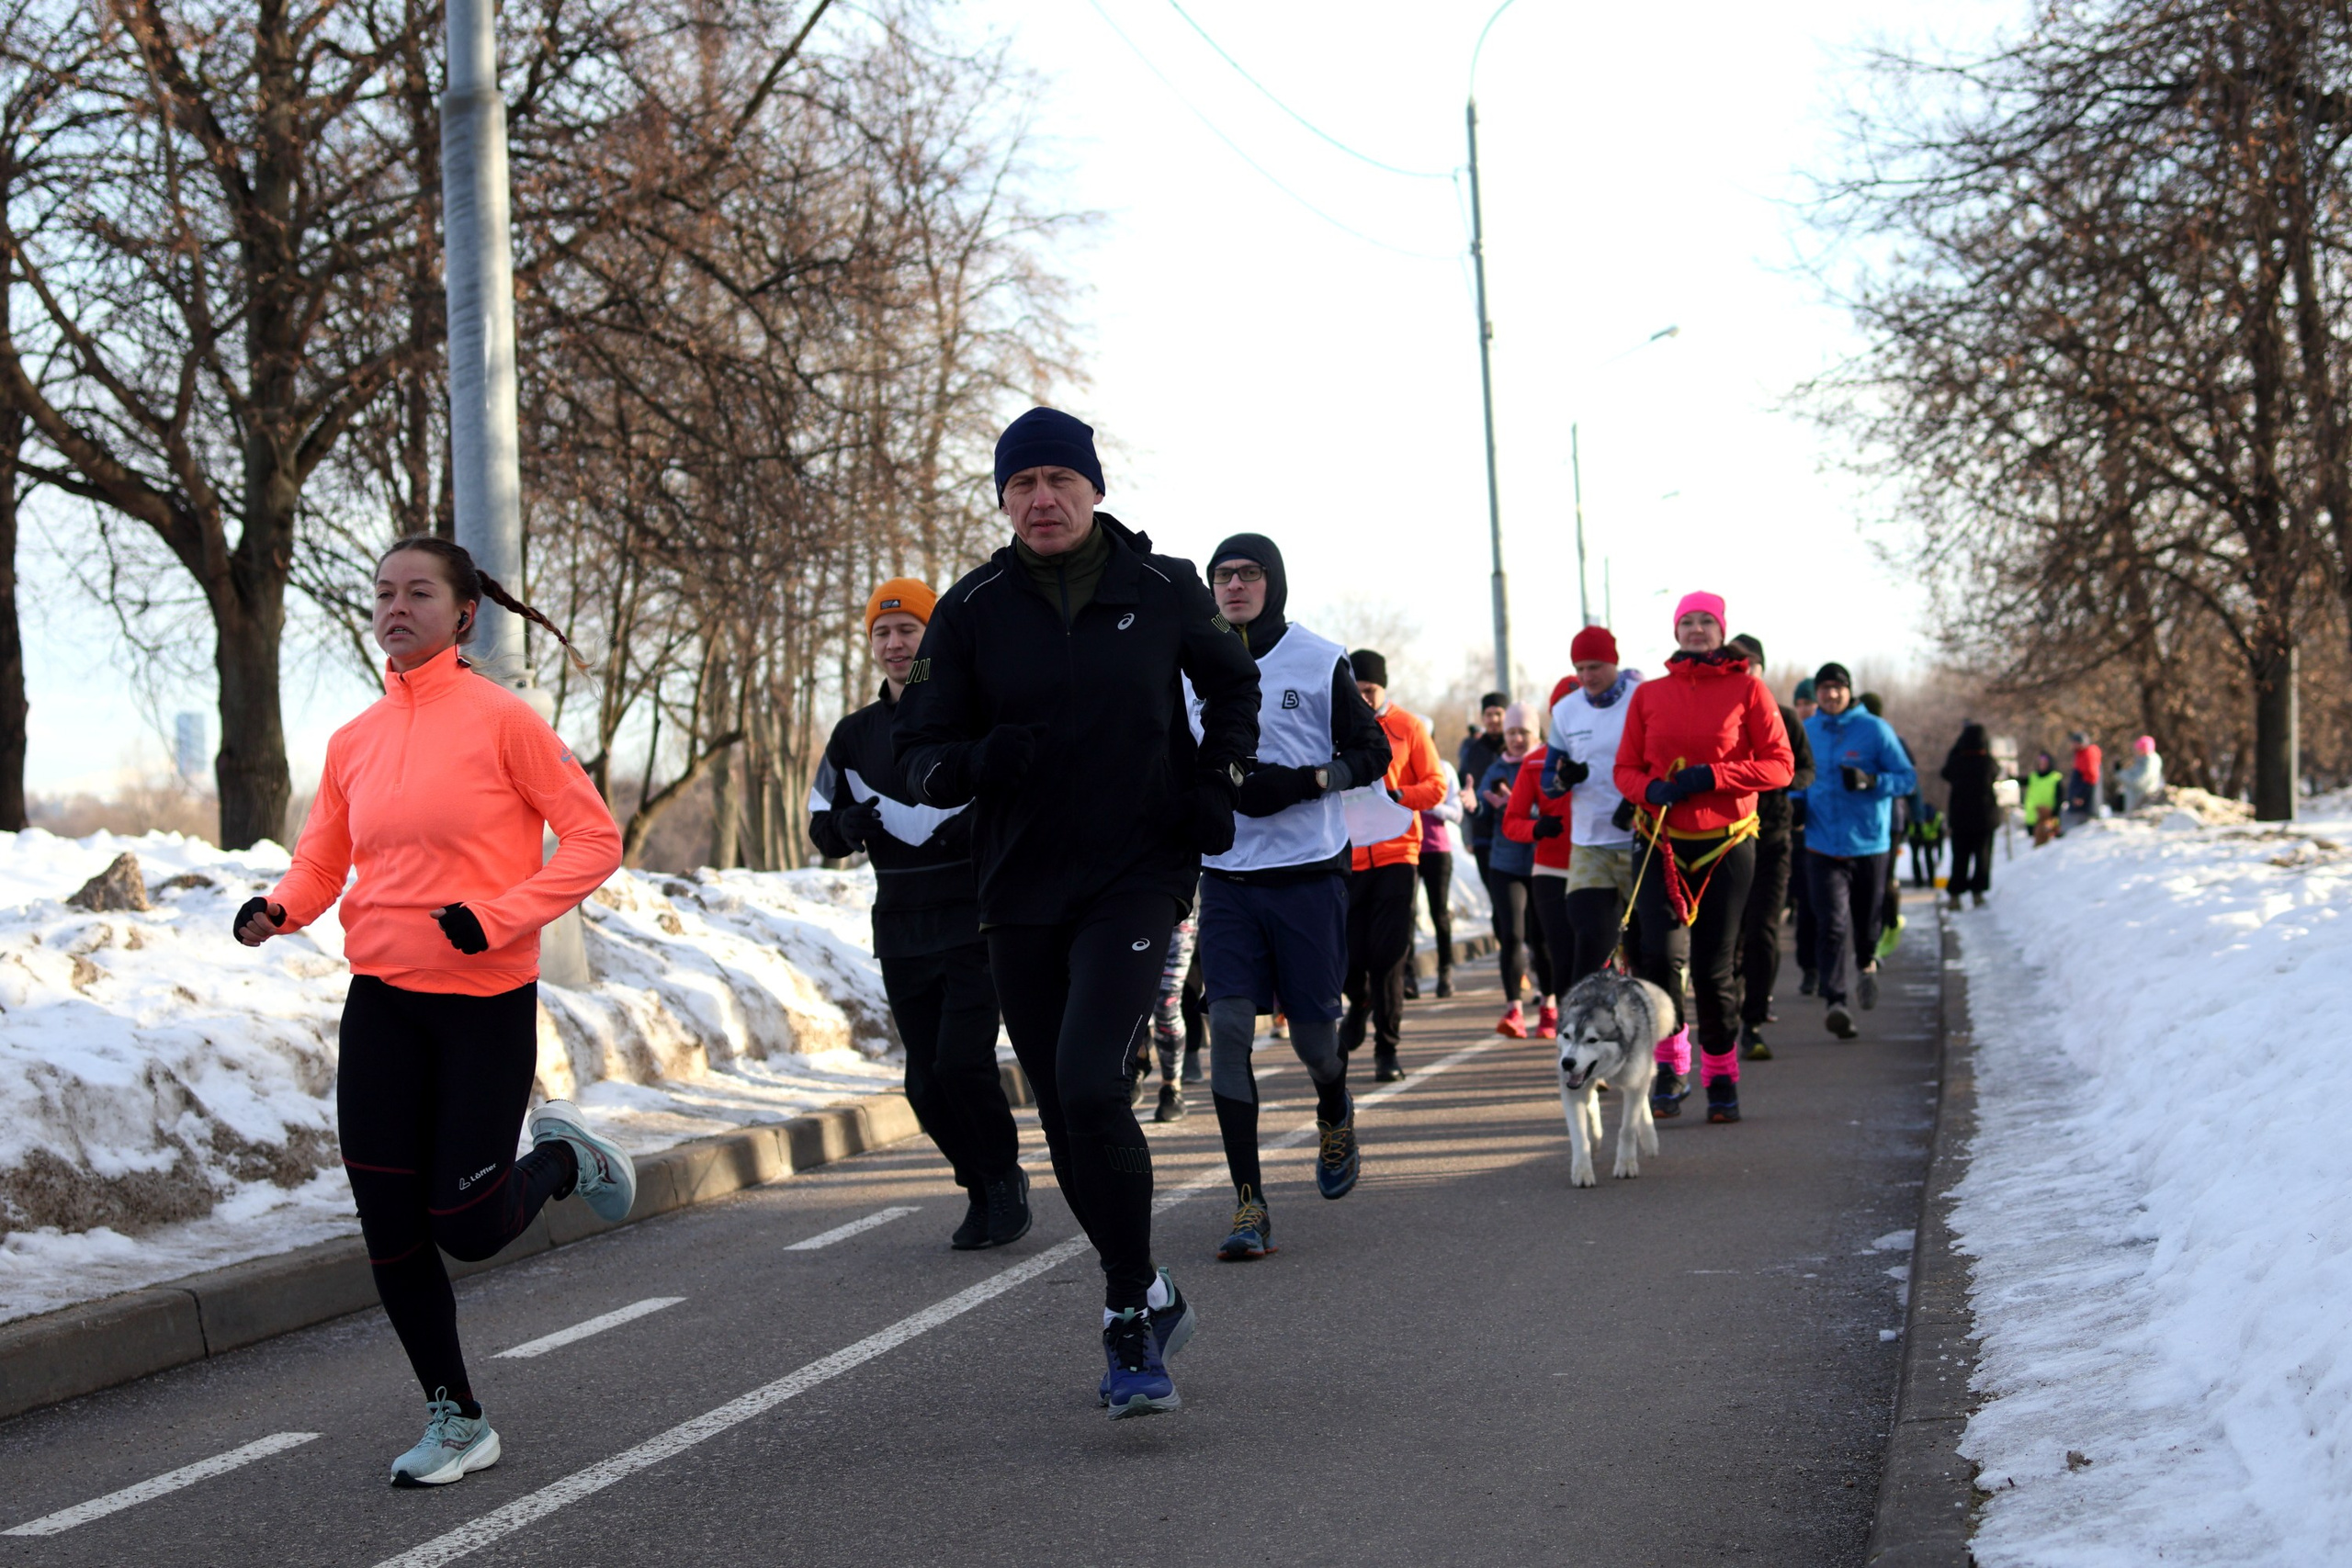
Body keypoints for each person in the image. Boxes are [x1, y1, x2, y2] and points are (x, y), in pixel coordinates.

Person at [236, 536, 629, 1487]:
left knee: (467, 1221)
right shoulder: (354, 741)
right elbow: (325, 859)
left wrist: (498, 916)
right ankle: (456, 1417)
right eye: (383, 593)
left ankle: (565, 1158)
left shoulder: (505, 723)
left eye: (418, 592)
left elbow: (593, 838)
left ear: (463, 615)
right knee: (389, 1219)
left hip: (483, 1004)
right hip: (382, 1003)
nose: (396, 606)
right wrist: (281, 907)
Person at [894, 407, 1260, 1418]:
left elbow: (1234, 688)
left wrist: (1217, 777)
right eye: (1022, 483)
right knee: (1060, 1109)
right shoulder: (969, 609)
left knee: (1091, 1084)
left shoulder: (1163, 585)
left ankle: (1123, 1315)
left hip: (1136, 868)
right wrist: (970, 765)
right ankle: (1146, 1283)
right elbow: (919, 750)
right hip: (1017, 885)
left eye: (1060, 478)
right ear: (1002, 498)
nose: (1042, 498)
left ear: (1094, 488)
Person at [1182, 533, 1392, 1260]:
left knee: (1312, 1041)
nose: (1234, 585)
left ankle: (1333, 1102)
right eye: (1222, 575)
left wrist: (1306, 782)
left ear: (1274, 582)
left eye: (1249, 574)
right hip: (1229, 876)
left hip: (1307, 873)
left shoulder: (1317, 657)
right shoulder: (1190, 663)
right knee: (1231, 1030)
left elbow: (1374, 753)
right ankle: (1250, 1203)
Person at [810, 578, 1030, 1250]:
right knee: (924, 1084)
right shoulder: (853, 738)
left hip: (975, 922)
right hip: (902, 930)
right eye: (883, 631)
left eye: (910, 629)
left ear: (934, 637)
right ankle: (982, 1183)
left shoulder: (974, 716)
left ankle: (1001, 1177)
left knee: (964, 1063)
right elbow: (821, 830)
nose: (896, 643)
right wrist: (846, 822)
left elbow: (1022, 801)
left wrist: (980, 829)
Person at [1613, 592, 1793, 1125]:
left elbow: (1779, 767)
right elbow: (1624, 769)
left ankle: (1721, 1076)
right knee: (1659, 960)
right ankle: (1672, 1068)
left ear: (1721, 631)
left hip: (1727, 843)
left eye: (1705, 622)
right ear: (1675, 631)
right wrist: (1651, 790)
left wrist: (1714, 776)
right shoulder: (1649, 695)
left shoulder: (1749, 689)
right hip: (1661, 840)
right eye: (1686, 621)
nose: (1695, 630)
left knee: (1715, 969)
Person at [1340, 650, 1446, 1082]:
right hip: (1346, 856)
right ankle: (1359, 1000)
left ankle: (1387, 1049)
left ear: (1384, 687)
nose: (1362, 699)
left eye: (1370, 691)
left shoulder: (1409, 727)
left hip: (1397, 853)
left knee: (1388, 956)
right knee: (1346, 954)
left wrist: (1399, 797)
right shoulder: (1336, 727)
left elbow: (1436, 785)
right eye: (1356, 691)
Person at [1800, 663, 1917, 1042]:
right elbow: (1794, 776)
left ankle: (1866, 963)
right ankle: (1836, 1001)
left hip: (1868, 843)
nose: (1831, 695)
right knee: (1830, 924)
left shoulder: (1875, 731)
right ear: (1817, 694)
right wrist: (1795, 803)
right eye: (1824, 689)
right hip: (1821, 843)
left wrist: (1872, 781)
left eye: (1838, 688)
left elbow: (1907, 777)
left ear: (1849, 691)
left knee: (1866, 922)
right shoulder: (1807, 732)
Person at [1725, 634, 1814, 1061]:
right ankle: (1730, 1007)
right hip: (1724, 838)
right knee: (1728, 934)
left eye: (1749, 666)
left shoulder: (1782, 716)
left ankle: (1753, 1021)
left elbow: (1805, 768)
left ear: (1760, 670)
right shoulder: (1718, 719)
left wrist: (1782, 783)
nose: (1742, 673)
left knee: (1762, 930)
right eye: (1733, 665)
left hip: (1773, 836)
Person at [1541, 626, 1643, 988]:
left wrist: (1636, 799)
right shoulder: (1566, 710)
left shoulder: (1641, 697)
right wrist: (1564, 779)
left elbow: (1662, 762)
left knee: (1646, 948)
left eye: (1595, 666)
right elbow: (1547, 784)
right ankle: (1581, 1027)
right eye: (1580, 668)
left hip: (1640, 840)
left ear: (1614, 661)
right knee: (1590, 938)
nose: (1587, 677)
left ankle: (1657, 1025)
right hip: (1589, 844)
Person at [1504, 679, 1575, 1039]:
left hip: (1606, 865)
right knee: (1561, 957)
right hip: (1551, 869)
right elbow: (1511, 823)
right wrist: (1537, 828)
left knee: (1602, 958)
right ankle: (1573, 1039)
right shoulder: (1534, 764)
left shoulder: (1614, 751)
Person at [1481, 702, 1555, 1038]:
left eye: (1523, 732)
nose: (1516, 739)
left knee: (1542, 937)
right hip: (1506, 862)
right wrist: (1476, 804)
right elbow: (1480, 805)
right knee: (1512, 934)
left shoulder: (1549, 763)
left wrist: (1529, 807)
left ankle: (1550, 1006)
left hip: (1544, 861)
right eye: (1511, 733)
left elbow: (1558, 805)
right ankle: (1514, 1010)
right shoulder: (1497, 769)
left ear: (1536, 733)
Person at [1403, 756, 1464, 999]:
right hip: (1407, 850)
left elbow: (1456, 813)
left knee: (1440, 913)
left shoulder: (1443, 768)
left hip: (1437, 850)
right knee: (1407, 914)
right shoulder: (1400, 765)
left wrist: (1427, 803)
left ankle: (1445, 973)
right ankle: (1408, 977)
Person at [1940, 721, 1999, 908]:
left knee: (1960, 858)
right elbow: (1996, 772)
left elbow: (1945, 773)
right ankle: (1978, 892)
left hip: (1960, 818)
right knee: (1982, 857)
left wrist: (1957, 746)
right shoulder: (1987, 762)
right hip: (1984, 818)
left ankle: (1955, 895)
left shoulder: (1958, 762)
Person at [2023, 750, 2066, 845]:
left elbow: (2060, 797)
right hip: (2033, 817)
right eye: (2040, 763)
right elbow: (2021, 781)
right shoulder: (2033, 777)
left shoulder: (2055, 778)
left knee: (2050, 842)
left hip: (2049, 816)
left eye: (2044, 763)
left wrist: (2055, 812)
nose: (2042, 766)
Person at [2118, 735, 2165, 813]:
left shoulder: (2151, 762)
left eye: (2139, 749)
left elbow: (2138, 782)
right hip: (2137, 801)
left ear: (2144, 749)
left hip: (2144, 802)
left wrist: (2121, 774)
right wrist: (2121, 771)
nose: (2136, 751)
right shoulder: (2142, 761)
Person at [2066, 731, 2104, 822]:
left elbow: (2091, 777)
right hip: (2082, 796)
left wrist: (2080, 795)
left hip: (2086, 802)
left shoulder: (2088, 754)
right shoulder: (2080, 754)